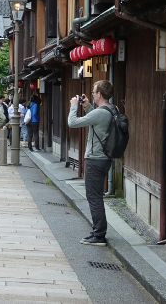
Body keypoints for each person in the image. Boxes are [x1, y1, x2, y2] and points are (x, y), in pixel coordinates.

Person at [68, 80, 117, 246]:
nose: (93, 93)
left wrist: (74, 106)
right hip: (104, 158)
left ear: (99, 94)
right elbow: (97, 123)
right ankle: (98, 231)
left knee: (94, 197)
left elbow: (72, 123)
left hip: (95, 159)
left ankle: (99, 235)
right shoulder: (112, 109)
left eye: (94, 91)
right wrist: (88, 106)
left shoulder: (100, 113)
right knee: (96, 196)